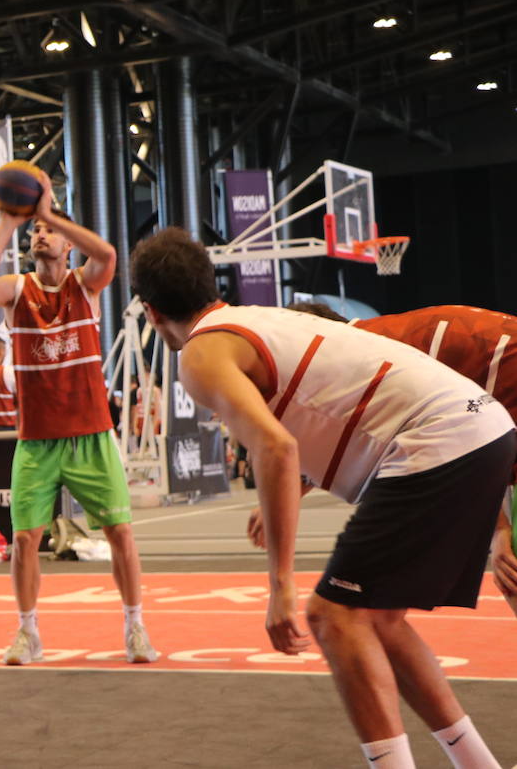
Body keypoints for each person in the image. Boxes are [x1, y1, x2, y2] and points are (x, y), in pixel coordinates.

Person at [131, 228, 514, 769]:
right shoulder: (264, 319)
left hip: (439, 437)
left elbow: (276, 448)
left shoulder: (200, 353)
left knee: (334, 617)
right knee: (378, 620)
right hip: (484, 427)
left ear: (149, 311)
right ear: (208, 283)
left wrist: (280, 585)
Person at [0, 175, 158, 667]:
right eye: (36, 234)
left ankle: (135, 625)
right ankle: (28, 633)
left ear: (69, 245)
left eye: (47, 234)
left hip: (91, 435)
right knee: (26, 539)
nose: (40, 237)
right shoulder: (17, 292)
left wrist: (51, 216)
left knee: (120, 533)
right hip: (37, 442)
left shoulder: (84, 286)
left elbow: (111, 255)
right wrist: (10, 223)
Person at [285, 301, 517, 622]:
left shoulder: (360, 360)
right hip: (493, 412)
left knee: (354, 612)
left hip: (494, 409)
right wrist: (500, 531)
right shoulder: (385, 340)